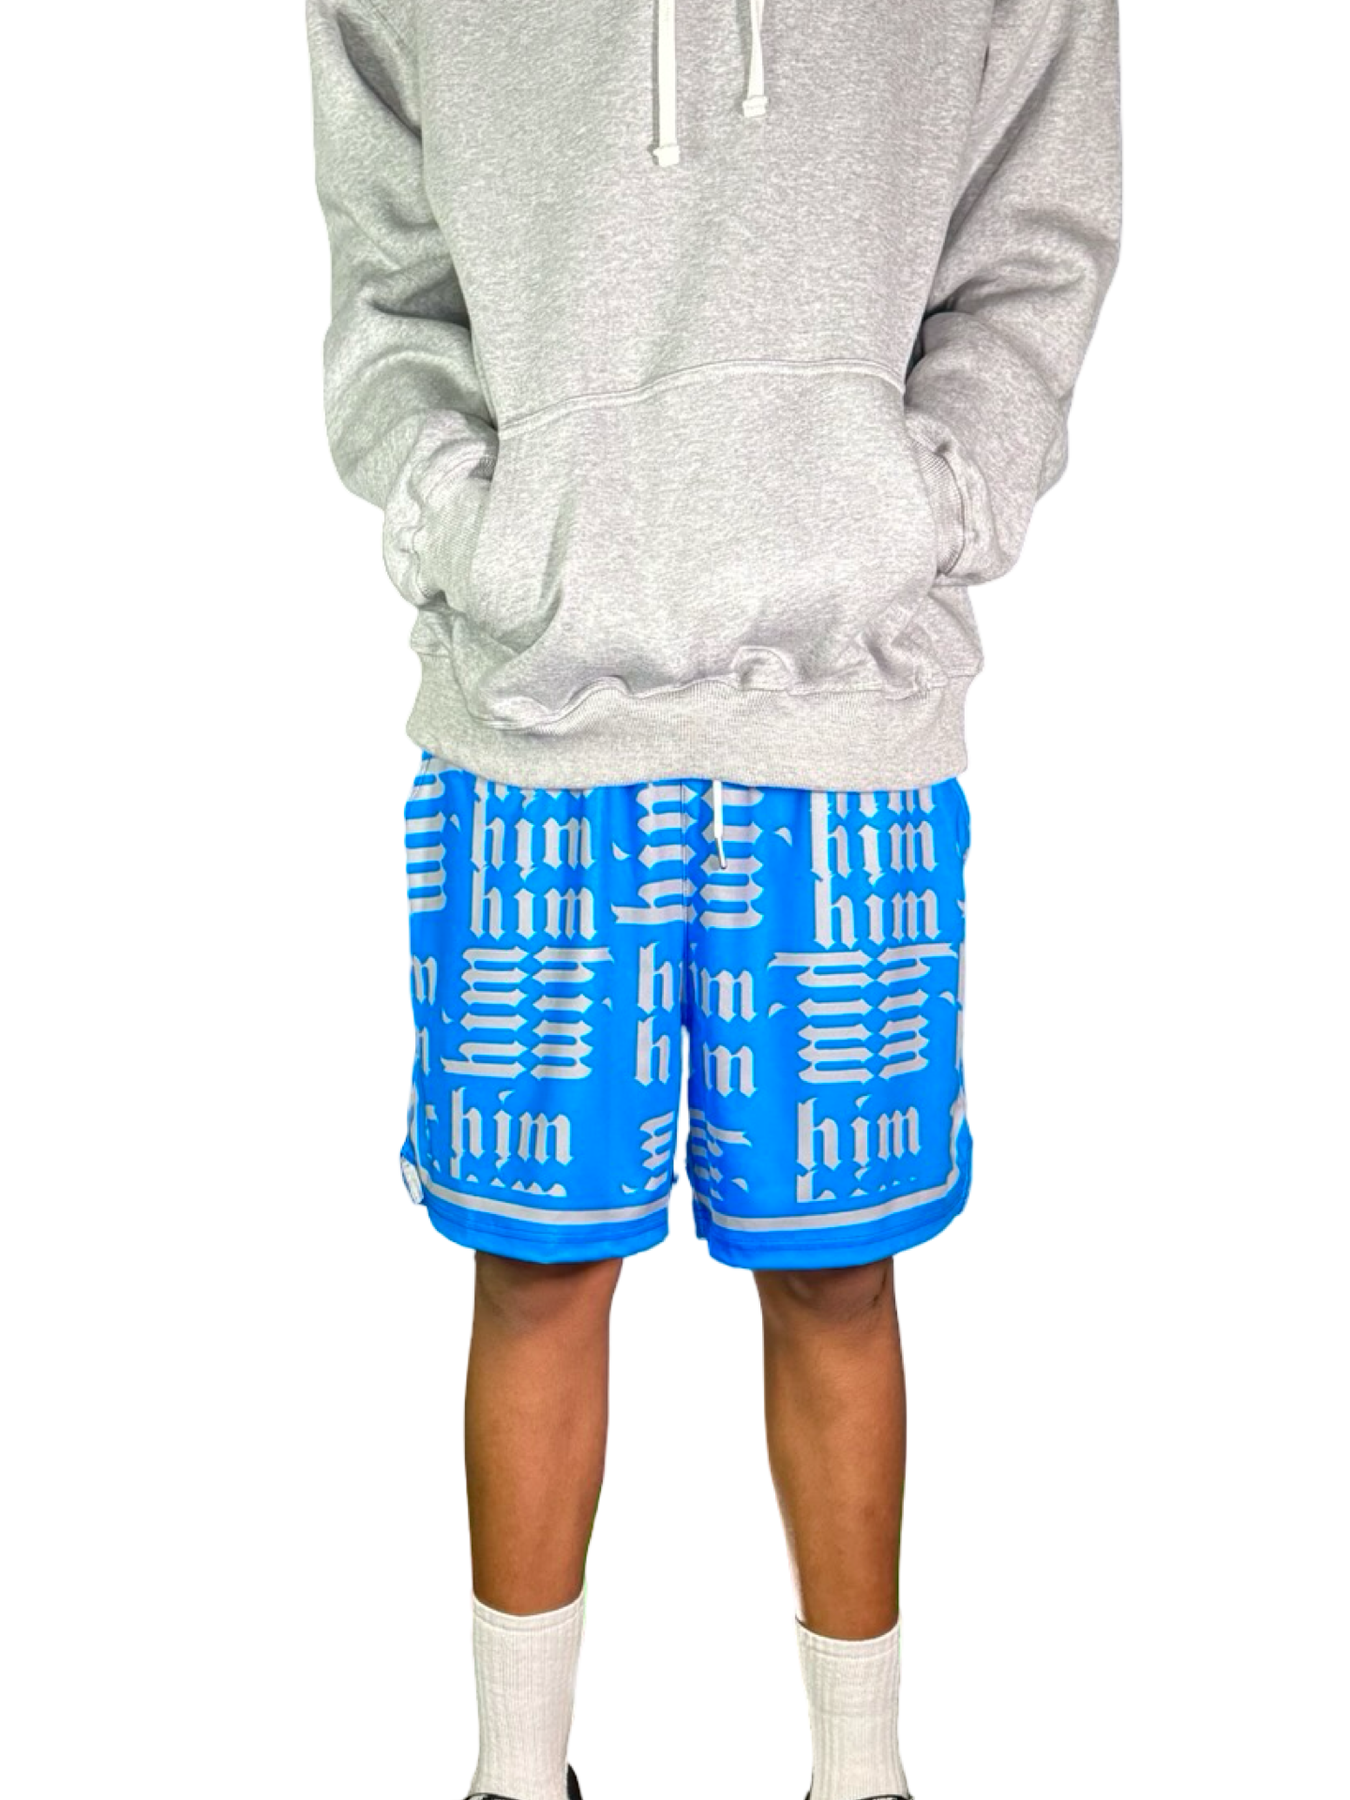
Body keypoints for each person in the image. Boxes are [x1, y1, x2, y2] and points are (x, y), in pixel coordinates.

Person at [304, 2, 1121, 1795]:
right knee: (533, 1264)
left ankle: (861, 1778)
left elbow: (1032, 234)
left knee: (837, 1268)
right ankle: (517, 1779)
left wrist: (930, 503)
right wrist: (474, 527)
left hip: (844, 717)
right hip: (534, 722)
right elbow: (387, 265)